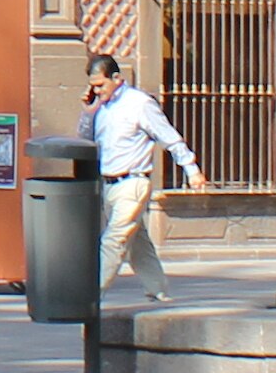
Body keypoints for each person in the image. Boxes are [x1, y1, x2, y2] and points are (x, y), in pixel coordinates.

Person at [83, 50, 200, 305]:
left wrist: (191, 168)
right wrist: (89, 110)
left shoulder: (140, 104)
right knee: (137, 242)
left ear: (116, 78)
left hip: (133, 182)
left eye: (101, 85)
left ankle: (90, 294)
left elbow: (168, 136)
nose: (98, 91)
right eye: (93, 87)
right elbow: (85, 139)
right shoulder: (101, 108)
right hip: (109, 184)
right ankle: (157, 289)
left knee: (114, 239)